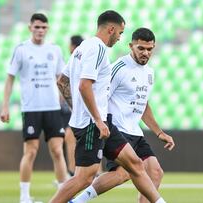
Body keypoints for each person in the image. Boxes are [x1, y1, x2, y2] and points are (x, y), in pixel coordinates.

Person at [50, 10, 166, 203]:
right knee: (84, 178)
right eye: (120, 33)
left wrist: (77, 109)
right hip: (93, 123)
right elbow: (84, 85)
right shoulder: (99, 49)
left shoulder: (82, 47)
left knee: (135, 165)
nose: (120, 38)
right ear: (111, 29)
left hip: (99, 121)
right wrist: (95, 118)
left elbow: (62, 82)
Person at [72, 28, 175, 203]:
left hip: (135, 131)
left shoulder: (149, 73)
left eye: (149, 49)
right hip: (118, 130)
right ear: (131, 46)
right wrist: (99, 122)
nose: (145, 53)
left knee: (155, 172)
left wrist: (159, 132)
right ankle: (78, 201)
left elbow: (143, 104)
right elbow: (100, 95)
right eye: (141, 48)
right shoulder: (119, 68)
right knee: (124, 173)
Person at [0, 13, 68, 203]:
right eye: (37, 27)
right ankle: (24, 197)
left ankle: (64, 195)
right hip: (31, 108)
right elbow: (10, 77)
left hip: (52, 108)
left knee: (57, 150)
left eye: (43, 27)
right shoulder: (21, 49)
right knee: (30, 151)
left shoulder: (54, 50)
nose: (40, 31)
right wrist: (5, 106)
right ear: (30, 27)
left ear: (47, 29)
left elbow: (60, 79)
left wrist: (69, 102)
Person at [61, 35, 84, 176]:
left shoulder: (76, 60)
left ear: (73, 46)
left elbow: (62, 82)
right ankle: (94, 172)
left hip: (81, 107)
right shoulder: (80, 60)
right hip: (80, 106)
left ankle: (72, 172)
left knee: (70, 136)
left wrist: (72, 104)